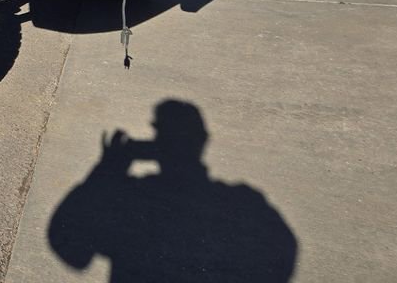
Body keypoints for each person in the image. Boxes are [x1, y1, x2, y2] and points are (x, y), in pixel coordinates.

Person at [48, 100, 297, 282]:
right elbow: (283, 252)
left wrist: (109, 166)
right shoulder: (245, 201)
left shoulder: (134, 196)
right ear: (203, 140)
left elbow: (70, 247)